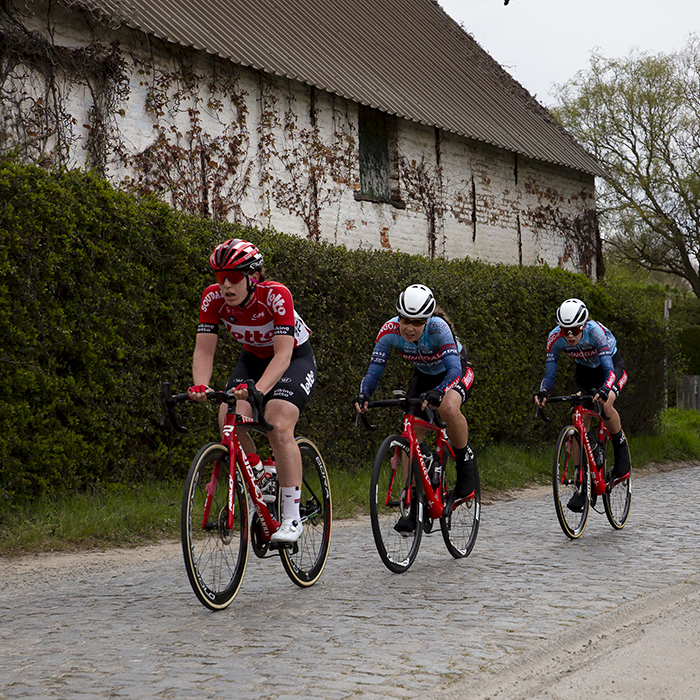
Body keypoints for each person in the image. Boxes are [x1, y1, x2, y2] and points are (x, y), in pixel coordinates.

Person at [188, 238, 316, 544]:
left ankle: (291, 517)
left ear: (253, 277)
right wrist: (202, 385)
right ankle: (261, 473)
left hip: (293, 358)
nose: (225, 286)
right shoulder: (212, 299)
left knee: (278, 422)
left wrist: (258, 390)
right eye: (220, 278)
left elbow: (283, 355)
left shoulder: (276, 295)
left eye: (233, 278)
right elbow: (204, 351)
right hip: (252, 359)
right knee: (227, 418)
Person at [354, 284, 477, 532]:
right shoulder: (389, 331)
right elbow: (375, 369)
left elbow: (454, 370)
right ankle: (412, 503)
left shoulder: (439, 329)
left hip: (455, 373)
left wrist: (440, 392)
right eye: (405, 320)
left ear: (428, 319)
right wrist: (364, 394)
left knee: (448, 409)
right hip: (423, 377)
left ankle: (465, 461)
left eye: (417, 322)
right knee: (410, 436)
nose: (409, 327)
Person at [534, 297, 631, 512]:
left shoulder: (595, 332)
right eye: (565, 329)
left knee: (606, 405)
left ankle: (621, 451)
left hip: (612, 367)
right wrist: (543, 392)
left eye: (575, 329)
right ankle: (581, 484)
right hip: (585, 373)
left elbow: (608, 371)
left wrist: (605, 390)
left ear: (584, 325)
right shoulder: (554, 338)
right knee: (578, 416)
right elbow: (550, 376)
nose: (569, 334)